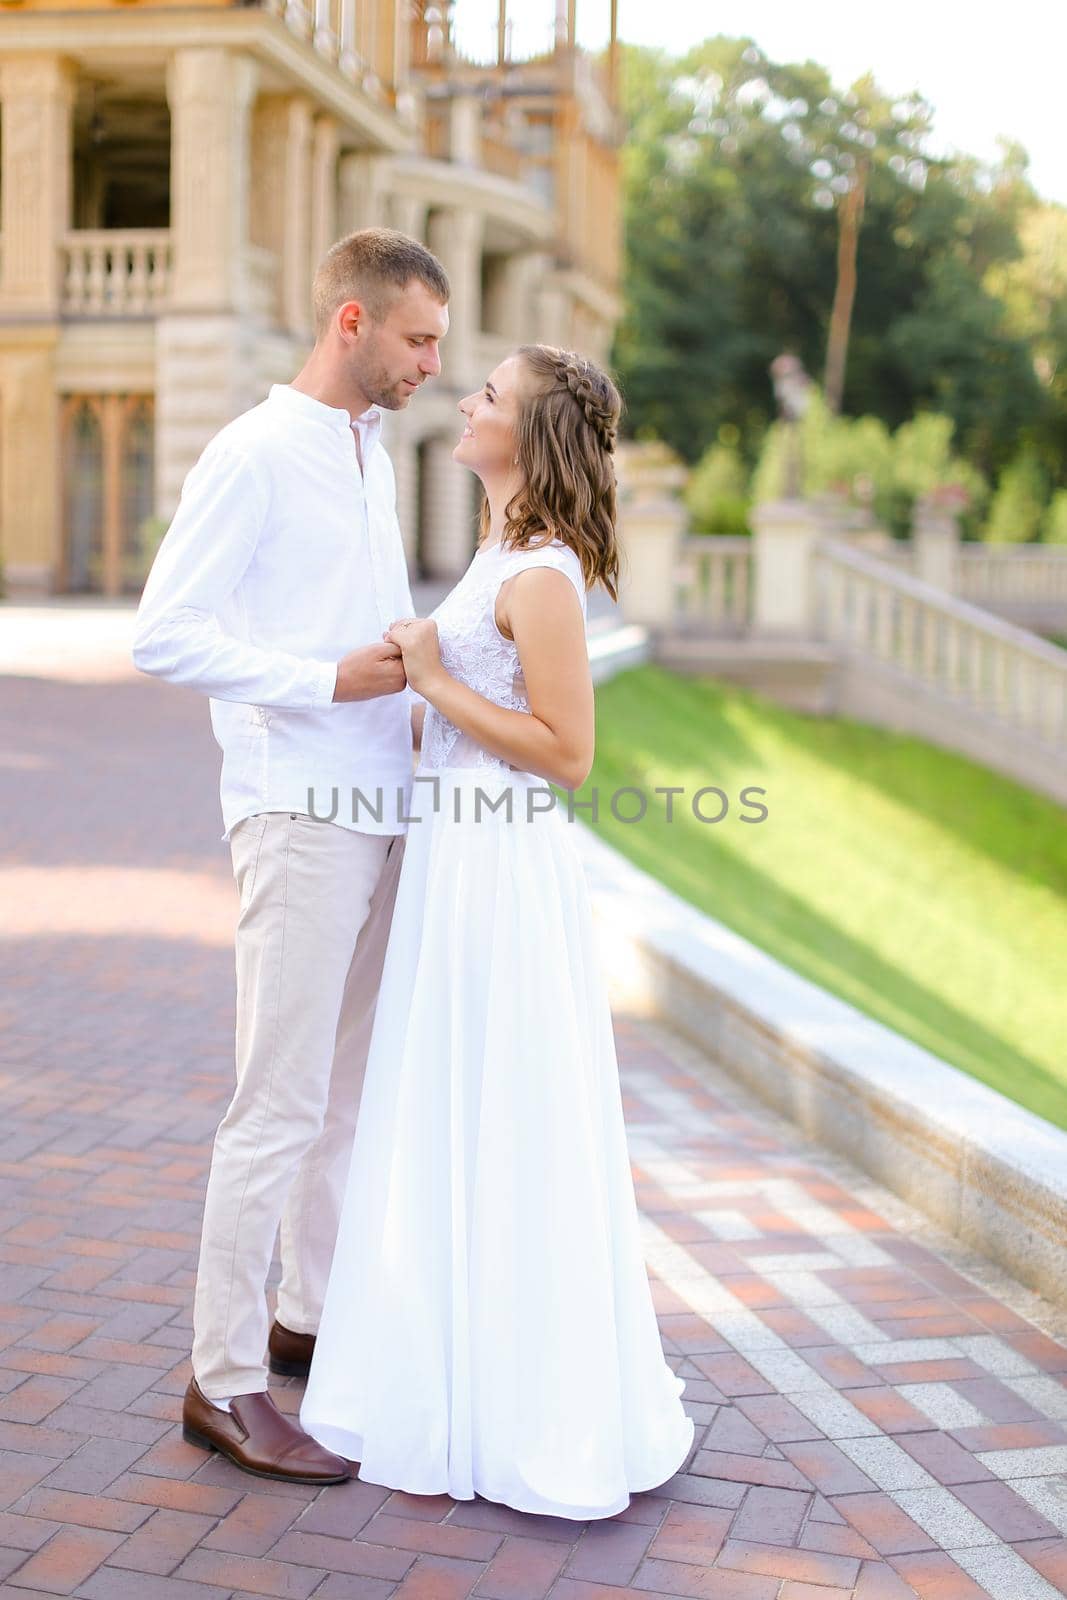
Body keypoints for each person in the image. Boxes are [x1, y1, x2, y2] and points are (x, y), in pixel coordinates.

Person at [300, 344, 695, 1518]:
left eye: (486, 394)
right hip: (452, 857)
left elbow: (567, 756)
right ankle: (440, 1367)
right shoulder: (492, 553)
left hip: (501, 869)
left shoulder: (543, 575)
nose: (465, 401)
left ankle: (522, 1403)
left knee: (499, 1109)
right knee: (437, 1103)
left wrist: (430, 678)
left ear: (523, 435)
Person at [130, 228, 450, 1484]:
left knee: (347, 1097)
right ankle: (219, 1380)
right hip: (297, 814)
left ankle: (302, 1322)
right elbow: (164, 634)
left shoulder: (370, 453)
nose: (434, 360)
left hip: (382, 810)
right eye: (417, 338)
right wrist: (324, 679)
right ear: (351, 323)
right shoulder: (257, 451)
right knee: (275, 1103)